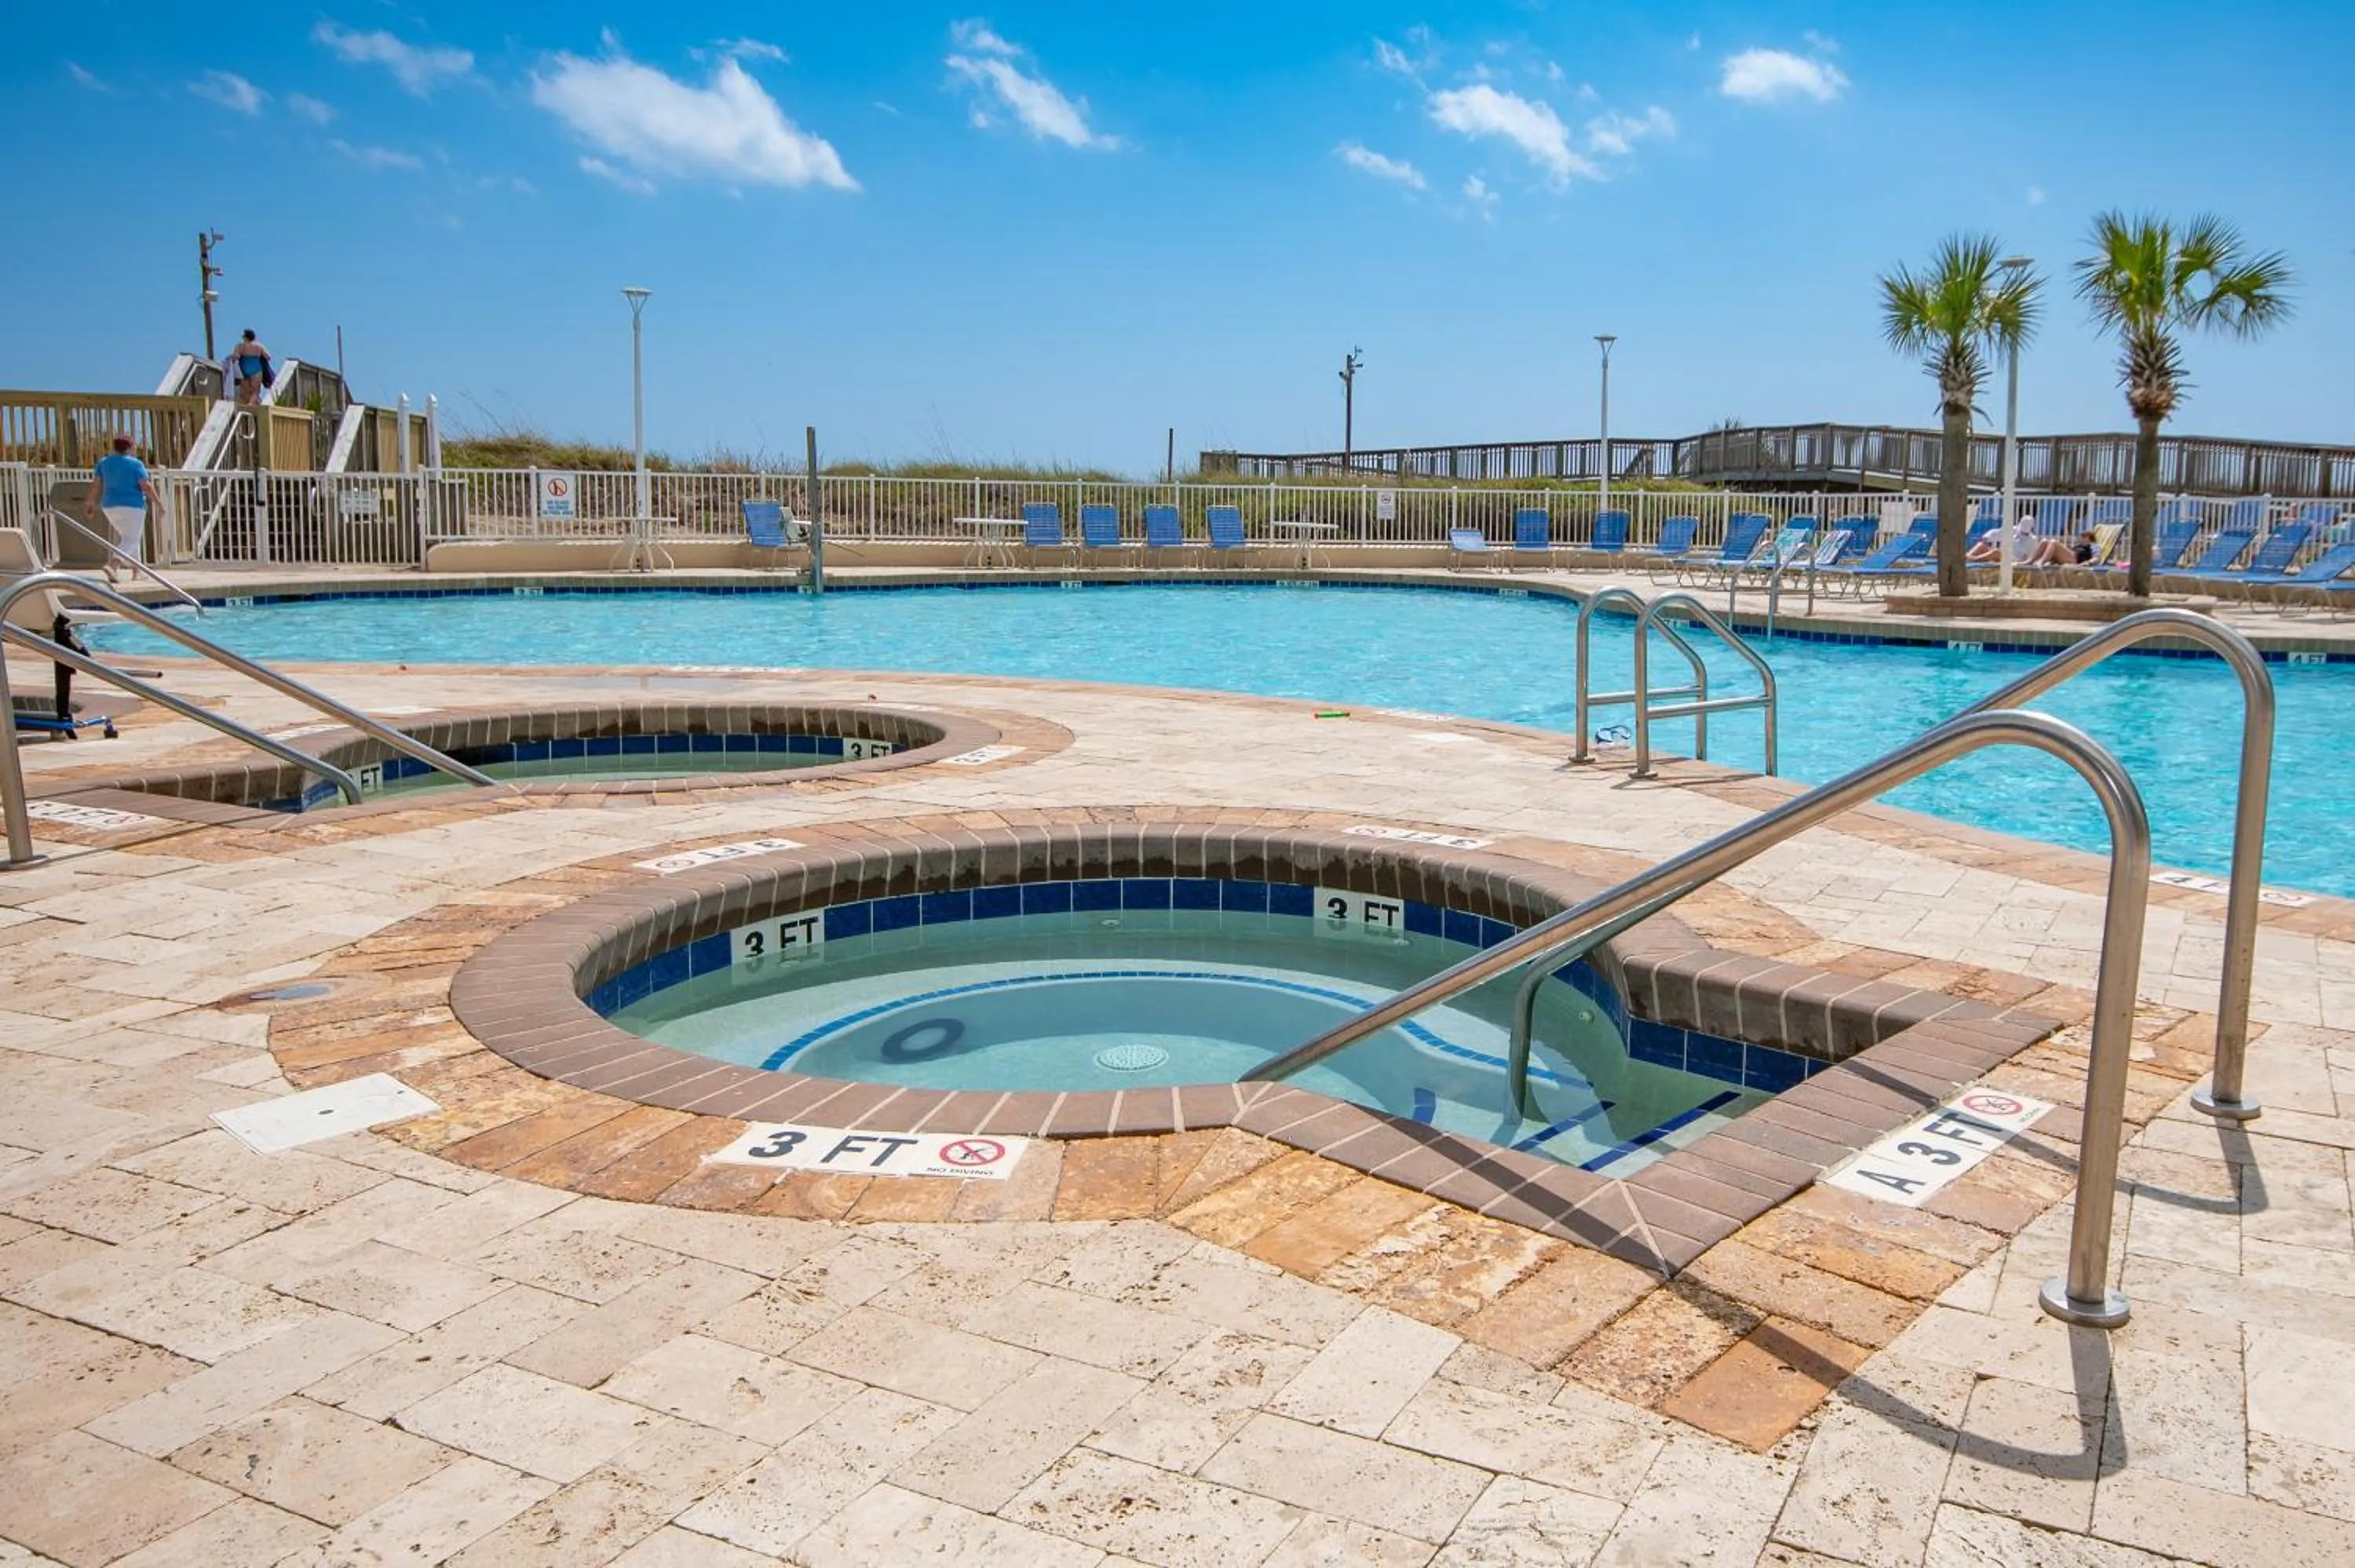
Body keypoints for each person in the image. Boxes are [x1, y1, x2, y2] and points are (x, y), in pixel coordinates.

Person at [84, 434, 158, 582]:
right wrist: (159, 503)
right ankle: (114, 565)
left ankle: (137, 572)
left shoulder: (104, 463)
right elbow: (146, 486)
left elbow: (96, 484)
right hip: (133, 506)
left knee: (128, 538)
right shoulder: (136, 464)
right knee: (132, 539)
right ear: (130, 448)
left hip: (110, 506)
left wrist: (89, 502)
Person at [228, 329, 273, 404]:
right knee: (256, 391)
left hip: (243, 369)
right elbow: (268, 357)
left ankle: (249, 405)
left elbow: (235, 356)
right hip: (256, 369)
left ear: (246, 338)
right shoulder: (259, 346)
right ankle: (251, 404)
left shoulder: (240, 346)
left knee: (245, 391)